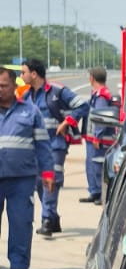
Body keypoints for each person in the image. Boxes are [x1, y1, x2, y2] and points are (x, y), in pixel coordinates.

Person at [0, 67, 55, 269]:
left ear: (15, 86)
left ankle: (19, 265)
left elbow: (43, 145)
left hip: (21, 179)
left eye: (3, 85)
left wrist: (48, 172)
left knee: (21, 223)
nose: (0, 89)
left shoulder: (30, 112)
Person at [21, 56, 81, 236]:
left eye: (23, 72)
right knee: (40, 182)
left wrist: (67, 122)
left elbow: (82, 105)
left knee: (50, 181)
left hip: (55, 145)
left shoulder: (57, 92)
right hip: (36, 148)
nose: (21, 76)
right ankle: (53, 219)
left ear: (34, 74)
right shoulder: (26, 96)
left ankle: (46, 220)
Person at [79, 67, 117, 204]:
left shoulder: (101, 95)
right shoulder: (97, 93)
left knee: (97, 166)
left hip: (98, 139)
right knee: (91, 165)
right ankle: (94, 192)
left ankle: (100, 193)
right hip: (92, 137)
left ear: (92, 78)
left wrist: (97, 136)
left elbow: (101, 117)